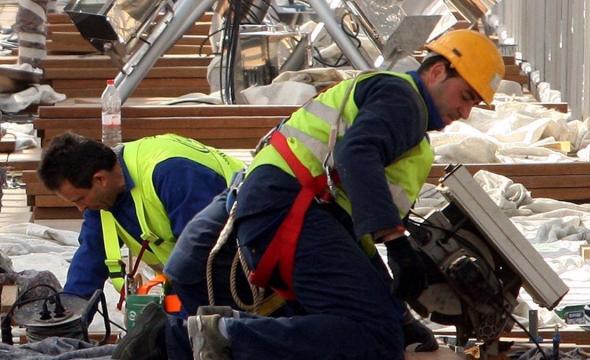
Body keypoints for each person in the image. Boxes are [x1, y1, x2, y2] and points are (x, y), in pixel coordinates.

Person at [187, 29, 505, 360]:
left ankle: (203, 335)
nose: (465, 112)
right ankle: (224, 335)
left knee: (372, 329)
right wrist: (396, 242)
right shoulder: (403, 100)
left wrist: (400, 316)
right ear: (437, 71)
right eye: (465, 96)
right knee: (374, 336)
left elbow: (355, 229)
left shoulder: (402, 111)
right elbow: (357, 153)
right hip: (288, 206)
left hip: (289, 208)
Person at [37, 133, 245, 318]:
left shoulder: (172, 174)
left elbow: (202, 259)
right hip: (207, 271)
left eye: (80, 199)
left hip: (247, 263)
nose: (81, 209)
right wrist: (67, 320)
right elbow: (89, 261)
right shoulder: (103, 200)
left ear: (100, 179)